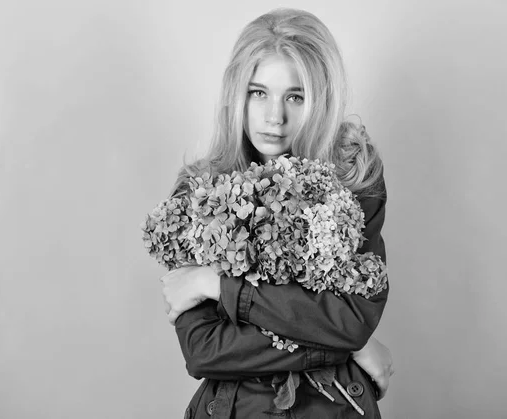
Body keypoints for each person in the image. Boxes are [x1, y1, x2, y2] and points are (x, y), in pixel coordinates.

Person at [159, 8, 394, 418]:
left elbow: (353, 319)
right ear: (237, 94)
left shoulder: (355, 177)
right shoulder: (199, 190)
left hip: (332, 407)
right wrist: (345, 343)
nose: (274, 117)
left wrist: (216, 284)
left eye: (295, 96)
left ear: (321, 98)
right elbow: (204, 351)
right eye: (258, 92)